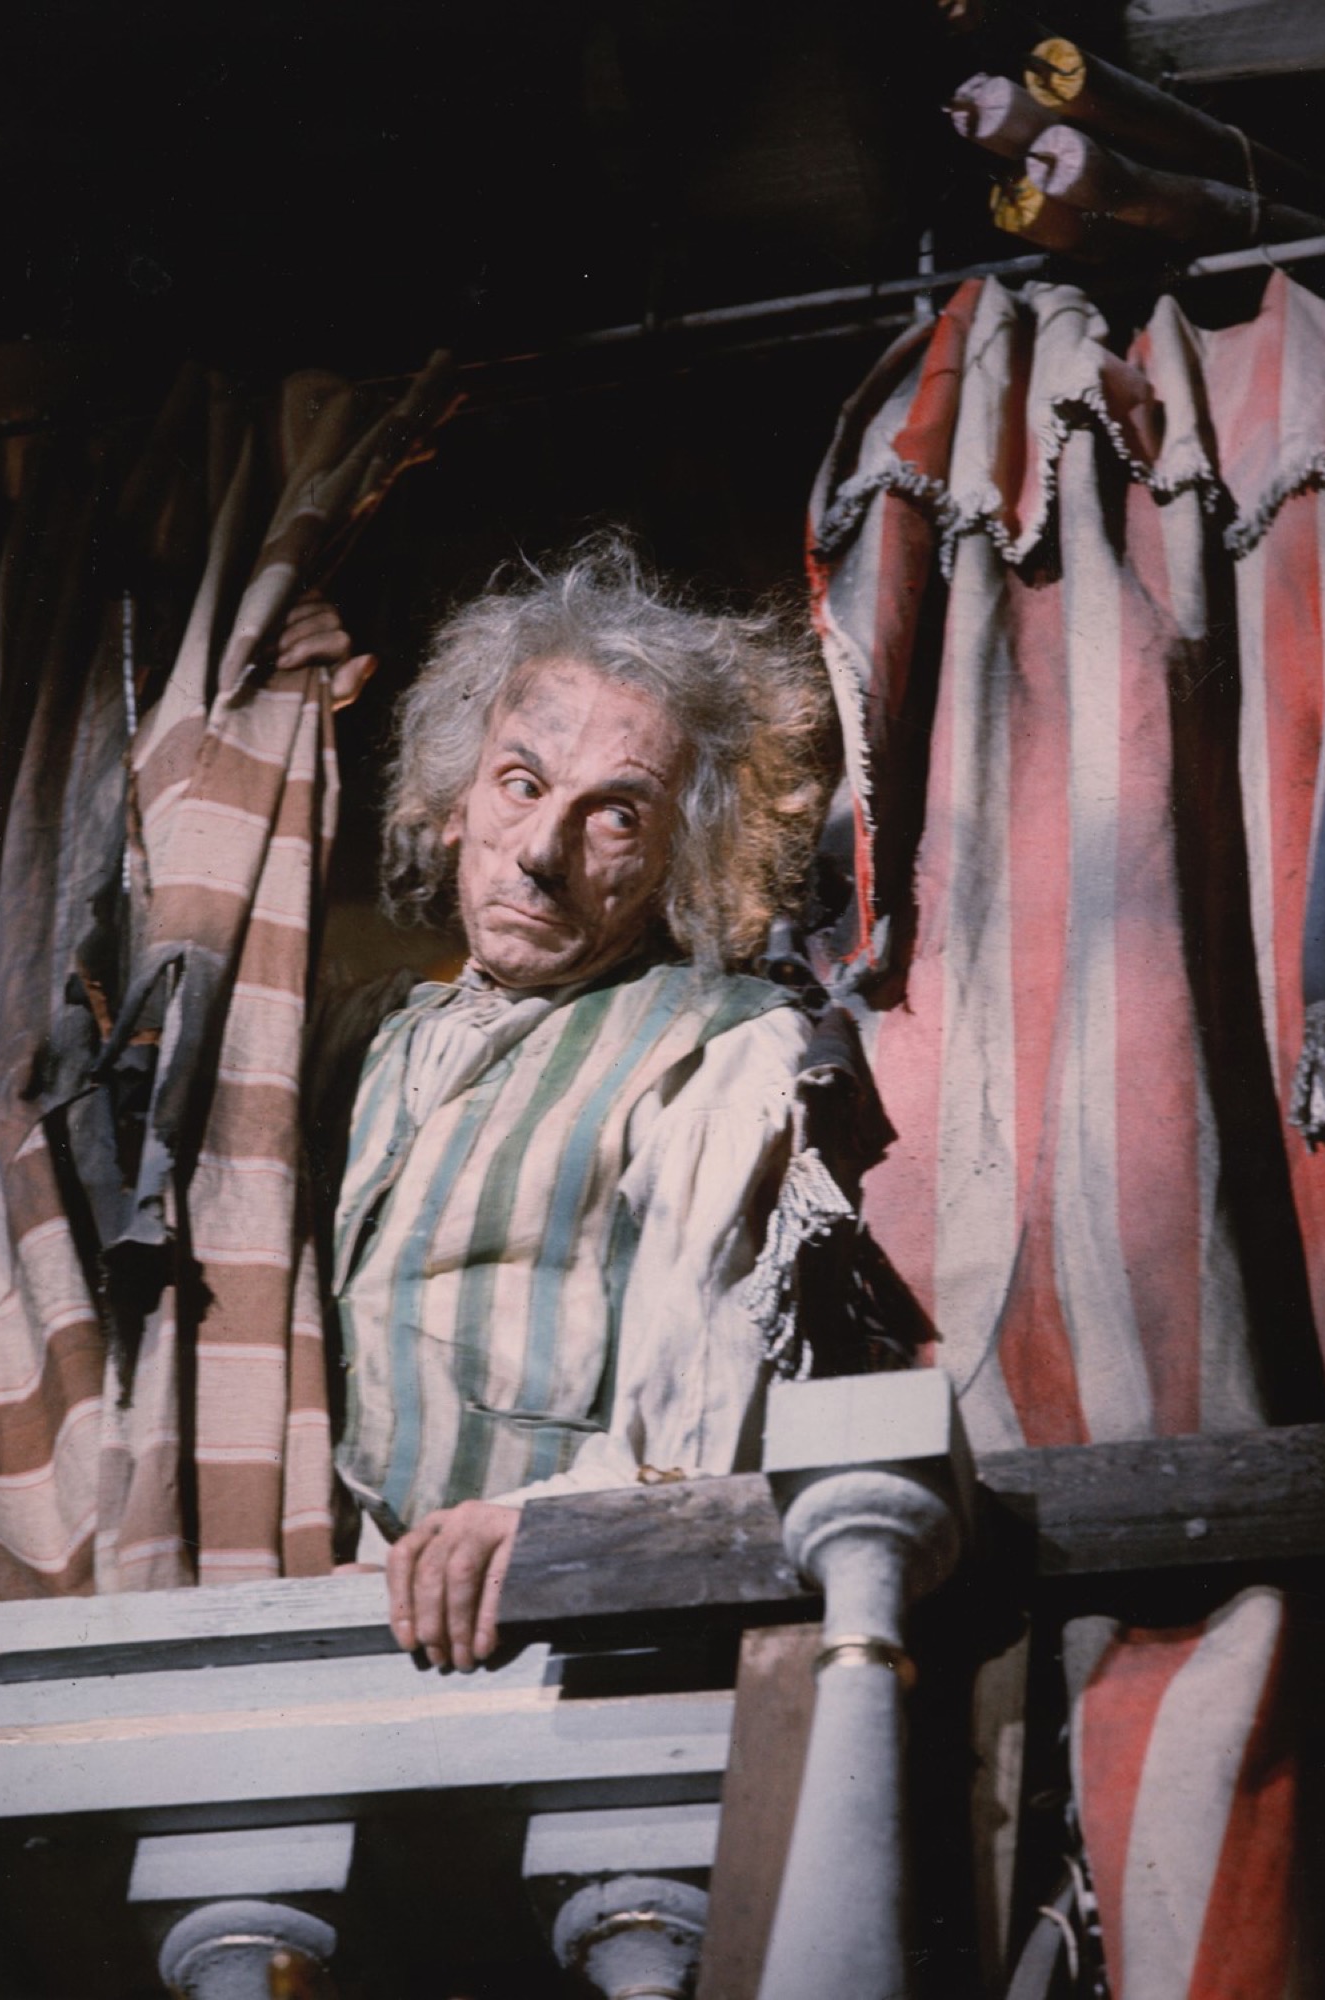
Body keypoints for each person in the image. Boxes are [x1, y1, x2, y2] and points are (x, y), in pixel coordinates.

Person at [328, 535, 874, 1672]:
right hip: (314, 1623)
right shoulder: (363, 1041)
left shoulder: (719, 1048)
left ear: (683, 856)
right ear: (455, 802)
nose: (540, 851)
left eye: (615, 814)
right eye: (521, 784)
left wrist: (541, 1527)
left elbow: (699, 1433)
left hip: (564, 1635)